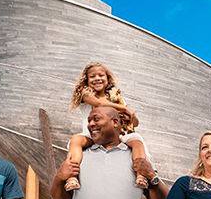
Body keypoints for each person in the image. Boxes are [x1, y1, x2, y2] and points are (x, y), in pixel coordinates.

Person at [63, 63, 150, 191]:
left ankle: (141, 175)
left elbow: (134, 123)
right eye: (92, 76)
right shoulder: (86, 94)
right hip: (92, 134)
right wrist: (125, 108)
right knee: (76, 140)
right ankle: (72, 177)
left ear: (107, 79)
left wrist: (132, 115)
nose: (97, 78)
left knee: (137, 141)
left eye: (101, 75)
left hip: (115, 135)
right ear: (86, 80)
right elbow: (99, 103)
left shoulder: (116, 98)